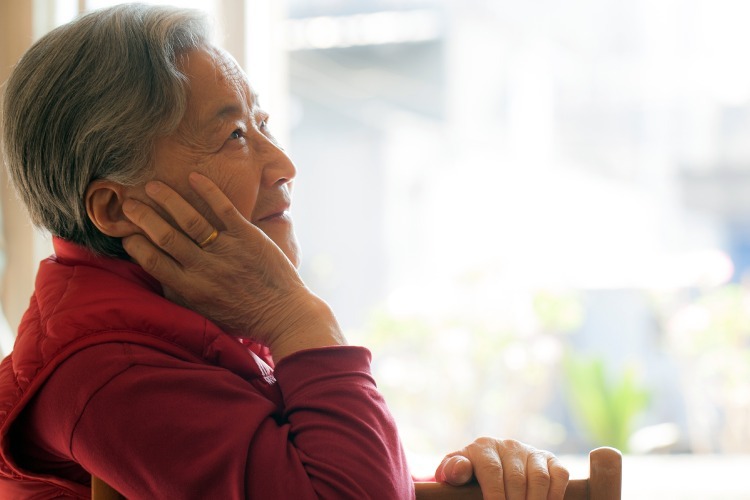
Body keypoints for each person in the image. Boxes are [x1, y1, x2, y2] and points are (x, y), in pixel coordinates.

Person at [0, 4, 569, 499]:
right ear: (115, 209)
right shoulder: (110, 373)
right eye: (236, 136)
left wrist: (474, 478)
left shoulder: (184, 328)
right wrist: (296, 317)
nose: (284, 166)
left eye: (263, 122)